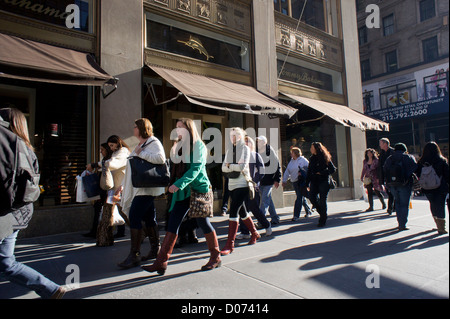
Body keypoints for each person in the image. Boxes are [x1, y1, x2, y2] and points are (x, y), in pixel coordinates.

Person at [0, 108, 65, 299]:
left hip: (5, 211)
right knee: (6, 262)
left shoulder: (8, 145)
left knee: (7, 262)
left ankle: (49, 288)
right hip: (18, 212)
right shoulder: (27, 149)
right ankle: (50, 289)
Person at [142, 118, 221, 274]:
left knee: (203, 223)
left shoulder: (198, 146)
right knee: (173, 223)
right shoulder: (178, 146)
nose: (178, 131)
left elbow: (196, 168)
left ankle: (215, 257)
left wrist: (178, 184)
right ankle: (161, 261)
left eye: (181, 128)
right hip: (182, 191)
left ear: (189, 130)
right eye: (177, 127)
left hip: (198, 189)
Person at [118, 119, 164, 268]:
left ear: (142, 128)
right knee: (149, 218)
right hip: (140, 188)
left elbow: (160, 159)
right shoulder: (142, 144)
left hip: (146, 188)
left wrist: (141, 153)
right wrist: (123, 186)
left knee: (134, 216)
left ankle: (134, 255)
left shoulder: (153, 142)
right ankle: (155, 249)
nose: (133, 129)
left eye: (135, 127)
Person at [221, 128, 261, 256]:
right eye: (231, 135)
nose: (233, 137)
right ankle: (254, 233)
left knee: (233, 211)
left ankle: (229, 244)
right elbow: (222, 167)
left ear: (241, 136)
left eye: (235, 135)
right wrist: (230, 165)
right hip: (231, 184)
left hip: (243, 183)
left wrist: (229, 165)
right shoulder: (229, 150)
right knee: (242, 211)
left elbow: (241, 167)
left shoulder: (244, 149)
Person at [92, 135, 130, 247]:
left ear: (118, 143)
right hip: (115, 188)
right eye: (109, 146)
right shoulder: (118, 153)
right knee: (114, 213)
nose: (111, 148)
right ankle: (105, 238)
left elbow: (112, 164)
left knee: (114, 213)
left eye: (112, 145)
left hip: (119, 187)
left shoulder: (123, 152)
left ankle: (105, 238)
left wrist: (95, 165)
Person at [237, 136, 272, 239]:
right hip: (242, 186)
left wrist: (254, 181)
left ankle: (266, 225)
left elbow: (261, 171)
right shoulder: (240, 157)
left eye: (248, 142)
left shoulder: (255, 156)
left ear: (252, 144)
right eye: (244, 142)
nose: (246, 144)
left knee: (254, 208)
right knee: (243, 210)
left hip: (252, 187)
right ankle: (245, 232)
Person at [383, 143, 418, 231]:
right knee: (404, 204)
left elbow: (385, 169)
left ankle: (400, 222)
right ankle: (403, 224)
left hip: (392, 184)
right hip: (405, 184)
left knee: (397, 202)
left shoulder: (390, 158)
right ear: (404, 149)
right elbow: (414, 167)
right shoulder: (408, 157)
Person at [416, 142, 449, 235]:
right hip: (440, 187)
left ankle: (437, 223)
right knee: (440, 205)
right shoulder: (441, 160)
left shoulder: (421, 162)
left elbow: (418, 173)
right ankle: (441, 228)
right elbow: (447, 174)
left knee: (433, 204)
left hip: (427, 187)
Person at [83, 143, 112, 238]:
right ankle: (96, 230)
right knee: (99, 208)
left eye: (102, 150)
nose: (101, 151)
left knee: (103, 209)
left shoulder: (109, 161)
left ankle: (98, 231)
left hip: (106, 189)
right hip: (102, 188)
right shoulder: (104, 160)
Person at [306, 142, 336, 228]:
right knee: (312, 198)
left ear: (316, 148)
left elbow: (332, 169)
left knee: (323, 200)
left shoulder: (324, 157)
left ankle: (322, 219)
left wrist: (322, 172)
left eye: (312, 148)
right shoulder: (311, 158)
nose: (311, 149)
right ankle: (323, 213)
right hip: (314, 181)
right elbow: (309, 171)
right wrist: (307, 183)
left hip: (323, 181)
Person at [257, 136, 282, 225]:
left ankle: (261, 221)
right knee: (268, 199)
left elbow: (277, 165)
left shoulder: (270, 151)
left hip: (269, 180)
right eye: (257, 141)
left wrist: (277, 179)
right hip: (260, 181)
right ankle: (275, 218)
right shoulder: (257, 151)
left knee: (264, 201)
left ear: (264, 142)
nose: (258, 143)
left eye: (259, 141)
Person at [282, 147, 312, 221]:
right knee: (301, 196)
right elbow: (287, 171)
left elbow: (309, 168)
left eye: (292, 152)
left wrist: (303, 173)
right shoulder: (291, 161)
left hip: (301, 182)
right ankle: (308, 211)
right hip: (294, 181)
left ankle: (296, 215)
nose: (291, 154)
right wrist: (284, 180)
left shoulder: (303, 160)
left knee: (299, 197)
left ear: (296, 153)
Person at [379, 138, 395, 215]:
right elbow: (380, 165)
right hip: (385, 175)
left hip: (392, 175)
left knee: (392, 192)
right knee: (389, 192)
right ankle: (392, 207)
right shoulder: (382, 153)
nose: (379, 145)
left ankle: (390, 208)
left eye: (380, 143)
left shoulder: (392, 152)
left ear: (385, 144)